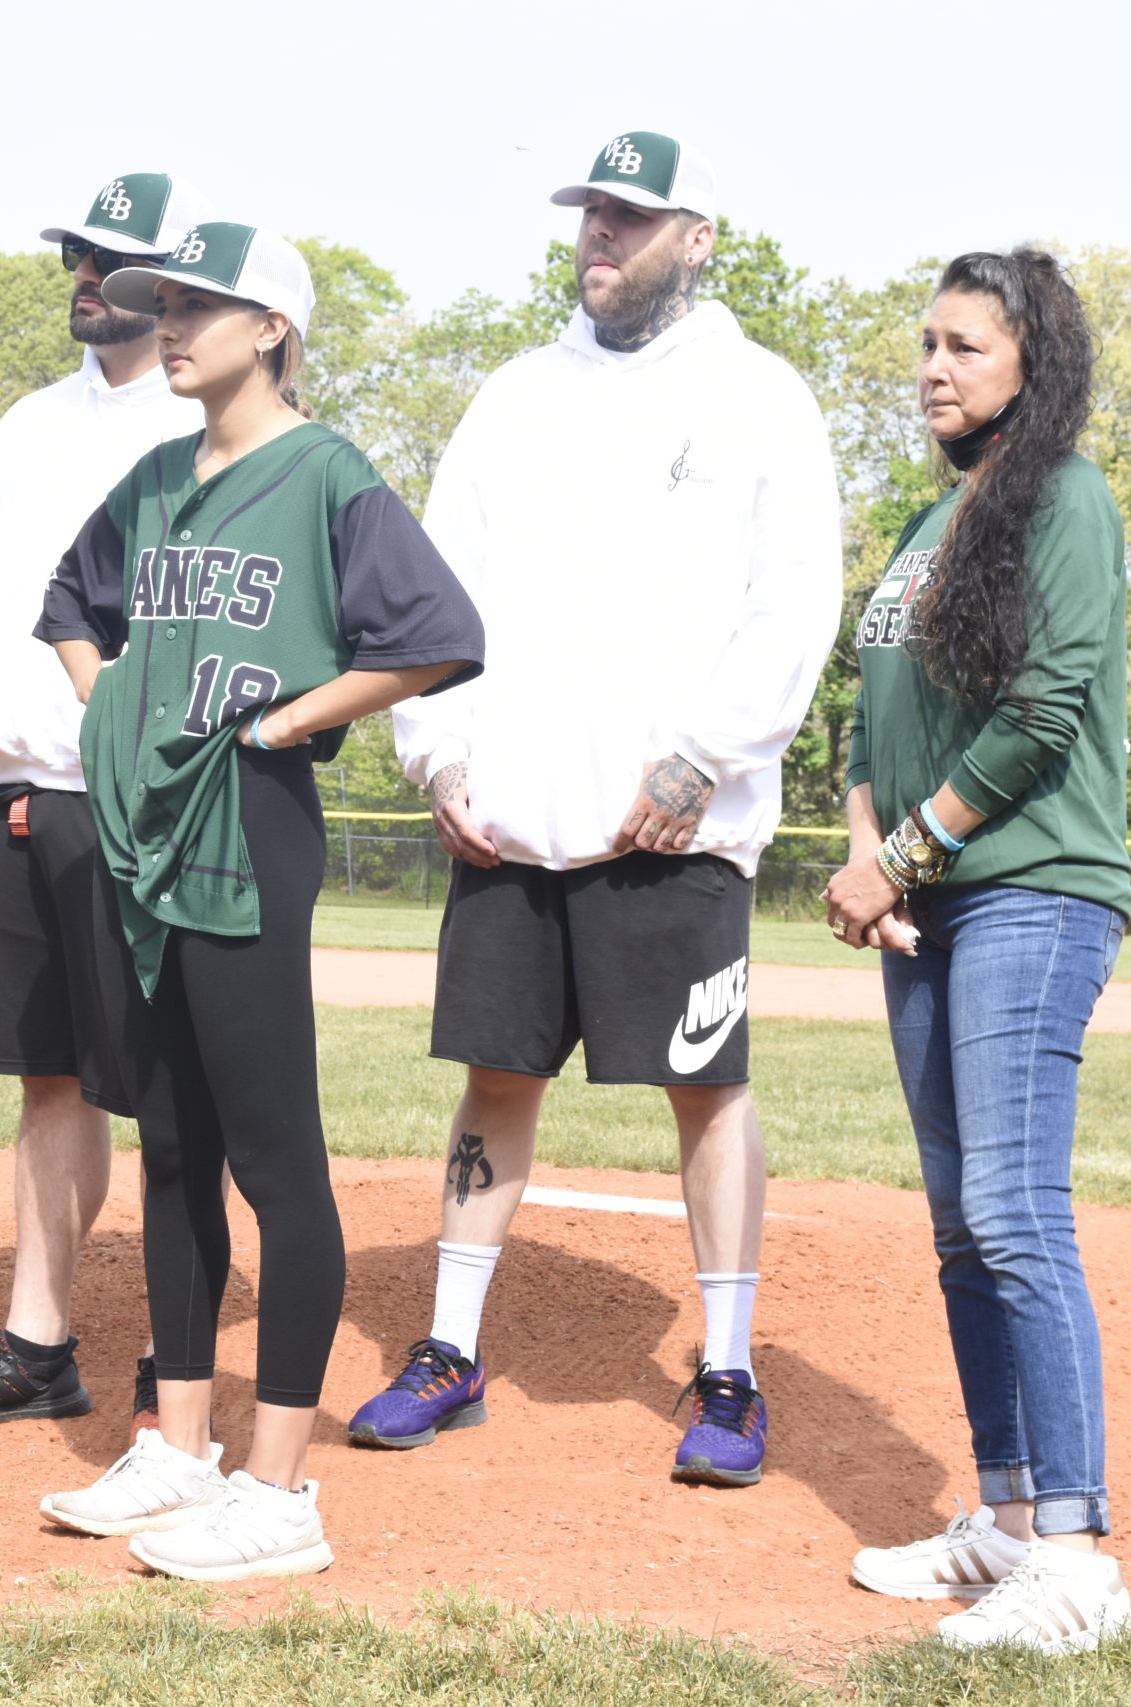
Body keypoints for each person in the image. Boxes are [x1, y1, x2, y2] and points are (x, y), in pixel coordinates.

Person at [363, 130, 840, 1489]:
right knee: (495, 1077)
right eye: (590, 215)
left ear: (698, 237)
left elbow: (793, 600)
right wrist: (436, 752)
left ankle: (729, 1365)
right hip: (512, 810)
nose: (599, 238)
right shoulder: (515, 394)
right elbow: (435, 584)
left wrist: (704, 756)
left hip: (674, 819)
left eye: (631, 219)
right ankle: (450, 1349)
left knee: (708, 1086)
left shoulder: (760, 396)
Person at [31, 222, 485, 1581]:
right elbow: (70, 600)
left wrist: (294, 721)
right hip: (147, 835)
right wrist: (107, 707)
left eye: (197, 306)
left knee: (276, 1159)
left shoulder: (325, 472)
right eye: (159, 304)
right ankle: (180, 1447)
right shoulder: (159, 476)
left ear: (271, 327)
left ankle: (282, 1488)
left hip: (250, 829)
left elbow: (439, 632)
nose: (166, 324)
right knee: (173, 1143)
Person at [823, 247, 1131, 1654]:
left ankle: (1077, 1558)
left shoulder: (1064, 497)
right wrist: (864, 847)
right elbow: (862, 710)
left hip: (1030, 889)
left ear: (1032, 364)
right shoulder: (926, 516)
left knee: (1014, 1209)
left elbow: (1048, 707)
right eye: (928, 344)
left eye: (965, 345)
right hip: (925, 895)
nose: (934, 367)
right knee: (959, 1227)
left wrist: (907, 850)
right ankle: (1004, 1520)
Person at [0, 173, 214, 1438]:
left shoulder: (204, 426)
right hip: (26, 791)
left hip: (152, 804)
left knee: (173, 1084)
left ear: (172, 288)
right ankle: (38, 1345)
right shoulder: (27, 425)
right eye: (78, 254)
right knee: (49, 1081)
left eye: (116, 259)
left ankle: (174, 1356)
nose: (89, 275)